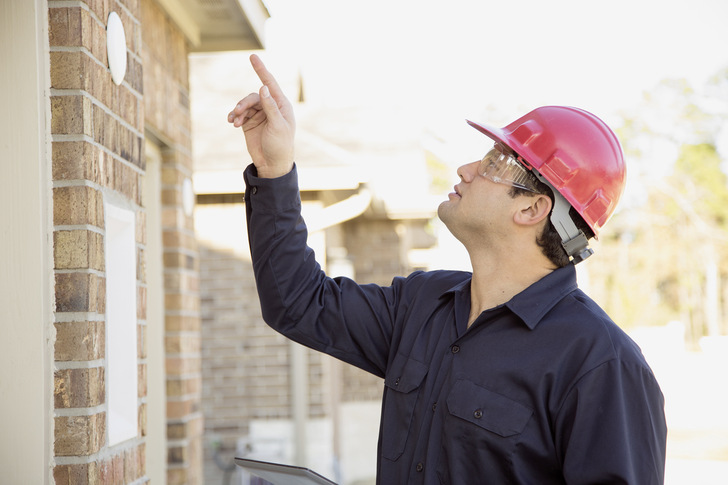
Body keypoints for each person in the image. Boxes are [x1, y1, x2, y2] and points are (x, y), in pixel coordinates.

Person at [228, 54, 667, 484]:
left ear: (534, 208)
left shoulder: (601, 363)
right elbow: (299, 302)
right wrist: (274, 169)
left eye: (496, 162)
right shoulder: (421, 305)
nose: (467, 168)